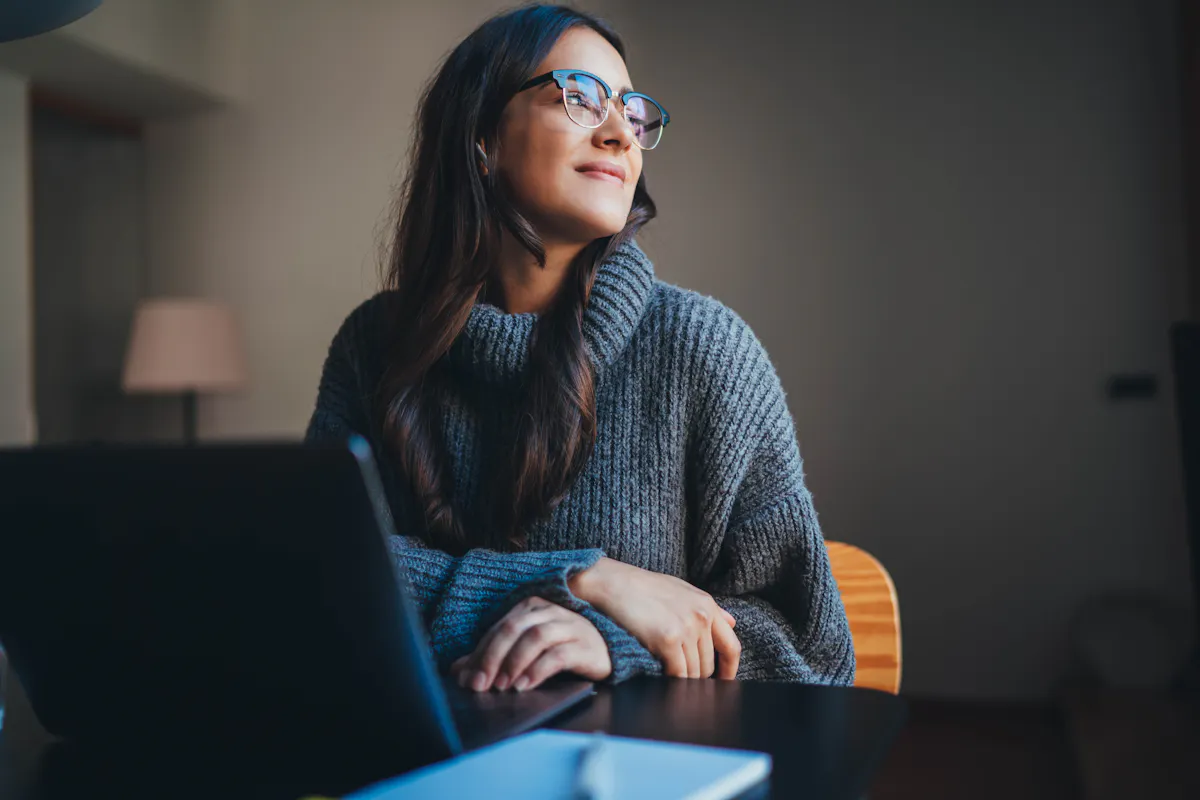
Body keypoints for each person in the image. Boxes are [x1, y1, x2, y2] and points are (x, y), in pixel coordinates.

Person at [306, 4, 854, 693]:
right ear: (482, 136)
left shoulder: (703, 351)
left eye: (632, 111)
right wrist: (586, 579)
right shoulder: (374, 346)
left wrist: (615, 638)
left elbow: (812, 648)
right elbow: (318, 576)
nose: (622, 133)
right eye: (580, 98)